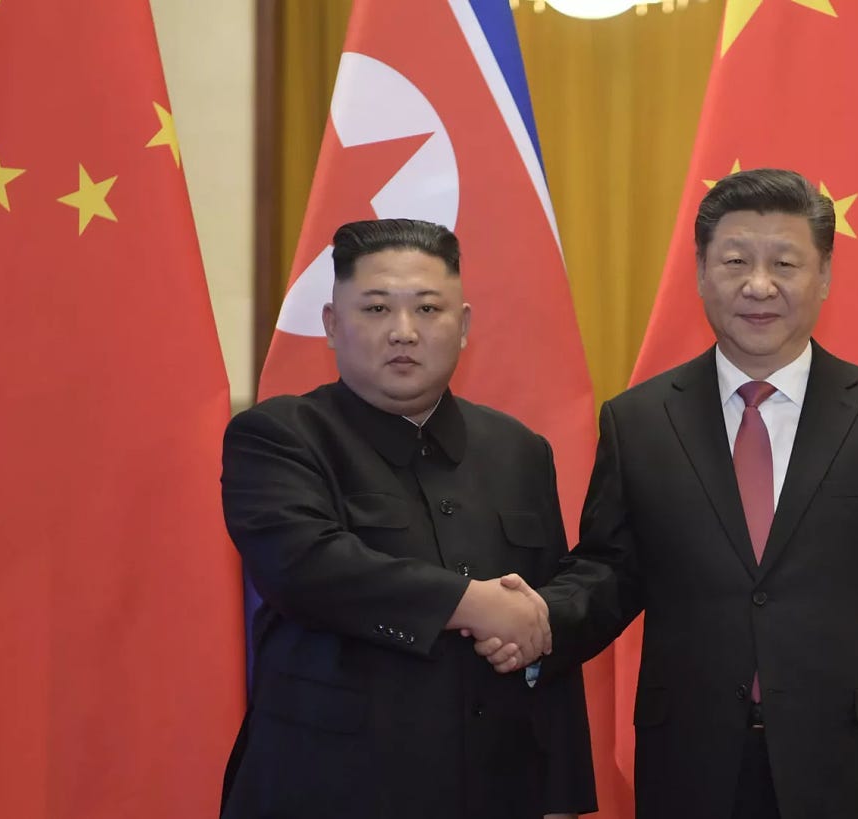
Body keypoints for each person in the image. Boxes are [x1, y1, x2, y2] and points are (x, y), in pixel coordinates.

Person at [484, 169, 858, 818]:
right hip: (691, 764)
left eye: (785, 262)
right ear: (700, 272)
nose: (759, 284)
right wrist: (541, 618)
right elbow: (611, 571)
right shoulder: (638, 421)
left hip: (855, 767)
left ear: (825, 276)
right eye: (735, 261)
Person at [219, 218, 596, 819]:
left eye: (427, 308)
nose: (403, 332)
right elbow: (305, 568)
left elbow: (537, 622)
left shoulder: (519, 449)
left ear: (464, 326)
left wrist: (562, 797)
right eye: (374, 308)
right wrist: (470, 603)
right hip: (326, 787)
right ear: (332, 325)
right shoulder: (278, 436)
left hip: (497, 789)